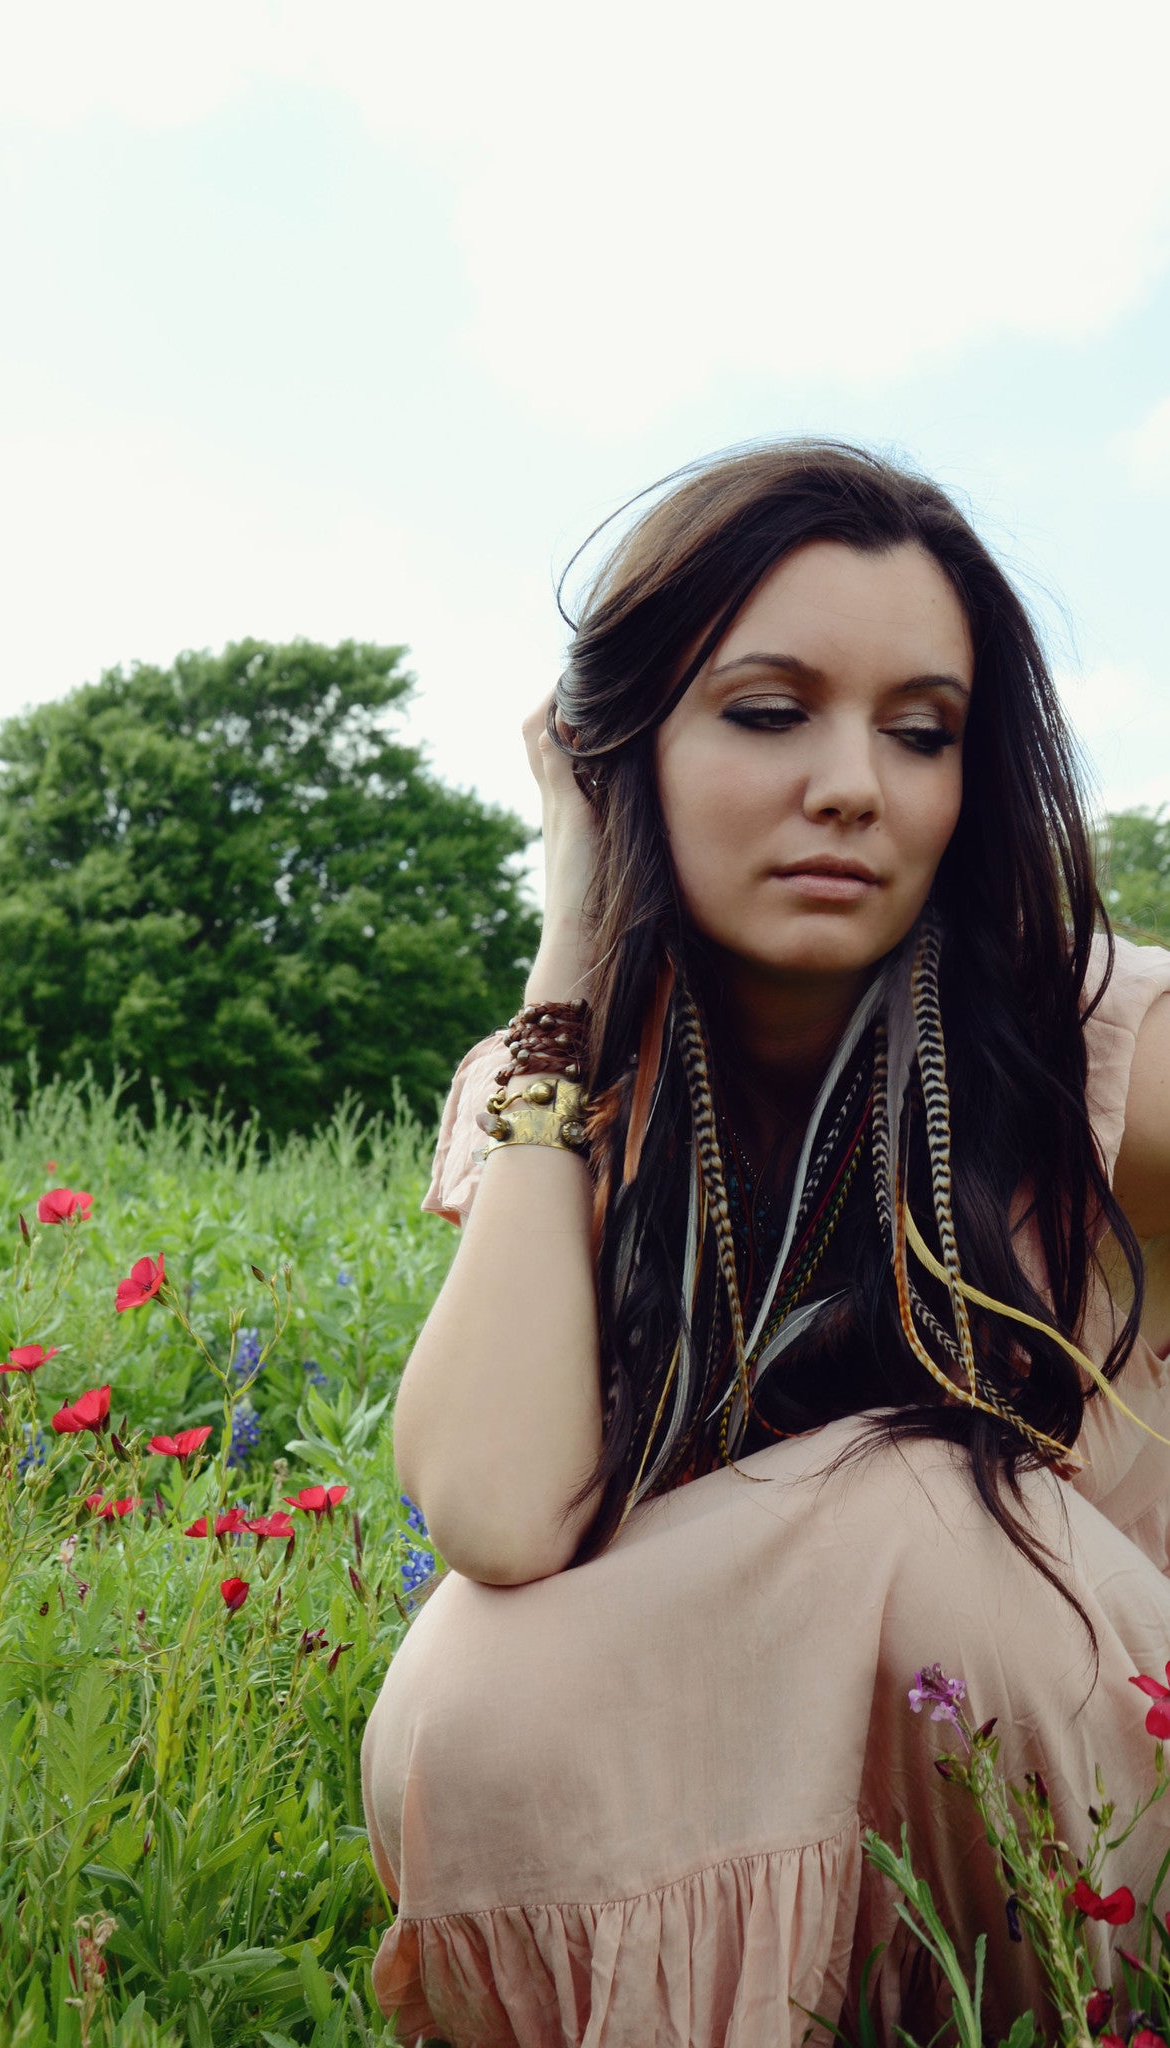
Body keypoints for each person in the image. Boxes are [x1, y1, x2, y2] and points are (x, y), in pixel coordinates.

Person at [360, 440, 1170, 2047]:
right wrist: (572, 946)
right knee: (477, 1673)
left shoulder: (1104, 1042)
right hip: (733, 1769)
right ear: (624, 751)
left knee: (932, 1508)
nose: (857, 784)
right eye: (766, 709)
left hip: (1091, 1763)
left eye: (921, 731)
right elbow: (499, 1517)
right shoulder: (556, 1080)